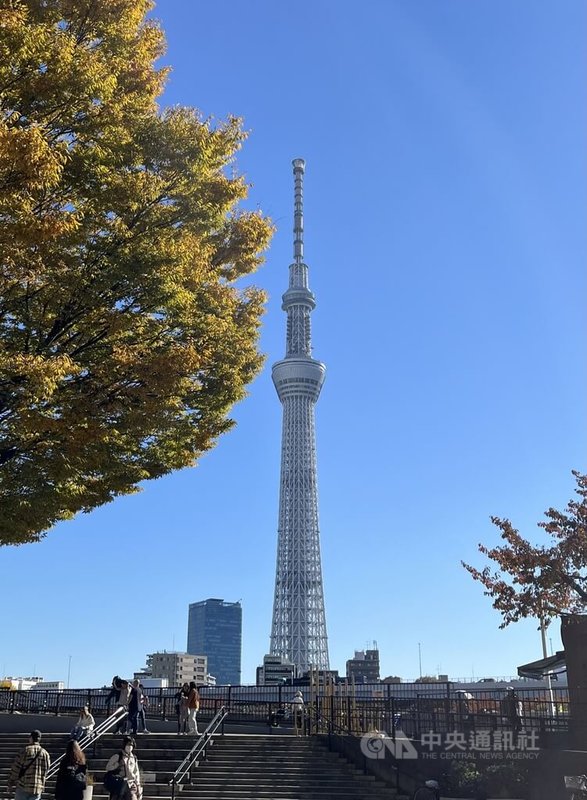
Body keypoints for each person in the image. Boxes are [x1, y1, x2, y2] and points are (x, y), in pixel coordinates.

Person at [8, 729, 51, 800]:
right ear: (39, 739)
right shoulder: (45, 753)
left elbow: (16, 768)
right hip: (37, 788)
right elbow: (46, 769)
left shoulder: (25, 751)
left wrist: (11, 782)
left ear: (30, 738)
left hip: (23, 786)